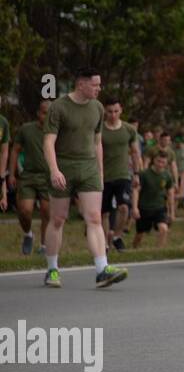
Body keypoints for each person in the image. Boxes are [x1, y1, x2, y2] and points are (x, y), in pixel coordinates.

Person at [42, 69, 128, 289]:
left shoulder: (98, 108)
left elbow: (97, 142)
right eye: (95, 85)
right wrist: (54, 170)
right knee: (58, 218)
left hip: (88, 167)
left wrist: (99, 172)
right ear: (81, 84)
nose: (99, 88)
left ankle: (102, 269)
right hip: (63, 166)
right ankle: (52, 269)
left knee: (94, 218)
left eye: (99, 85)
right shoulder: (59, 107)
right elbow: (49, 142)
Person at [99, 97, 141, 253]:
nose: (113, 115)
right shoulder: (100, 129)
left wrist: (136, 174)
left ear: (121, 110)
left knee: (124, 207)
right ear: (105, 112)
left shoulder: (129, 129)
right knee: (104, 212)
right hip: (103, 176)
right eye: (110, 112)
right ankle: (104, 243)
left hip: (123, 174)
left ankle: (117, 236)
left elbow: (135, 152)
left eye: (116, 111)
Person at [11, 100, 52, 256]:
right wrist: (12, 174)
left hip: (48, 176)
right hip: (28, 175)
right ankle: (28, 234)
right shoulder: (26, 130)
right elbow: (15, 150)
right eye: (44, 113)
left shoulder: (57, 131)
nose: (46, 116)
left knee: (47, 212)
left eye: (50, 113)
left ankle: (43, 245)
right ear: (38, 113)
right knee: (25, 210)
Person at [131, 152, 174, 248]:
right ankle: (135, 247)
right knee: (140, 234)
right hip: (144, 207)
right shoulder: (144, 174)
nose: (160, 164)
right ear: (153, 160)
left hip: (159, 208)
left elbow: (170, 193)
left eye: (163, 162)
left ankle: (159, 250)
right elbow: (136, 191)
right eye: (158, 161)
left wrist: (172, 212)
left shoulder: (167, 176)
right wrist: (135, 208)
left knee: (163, 229)